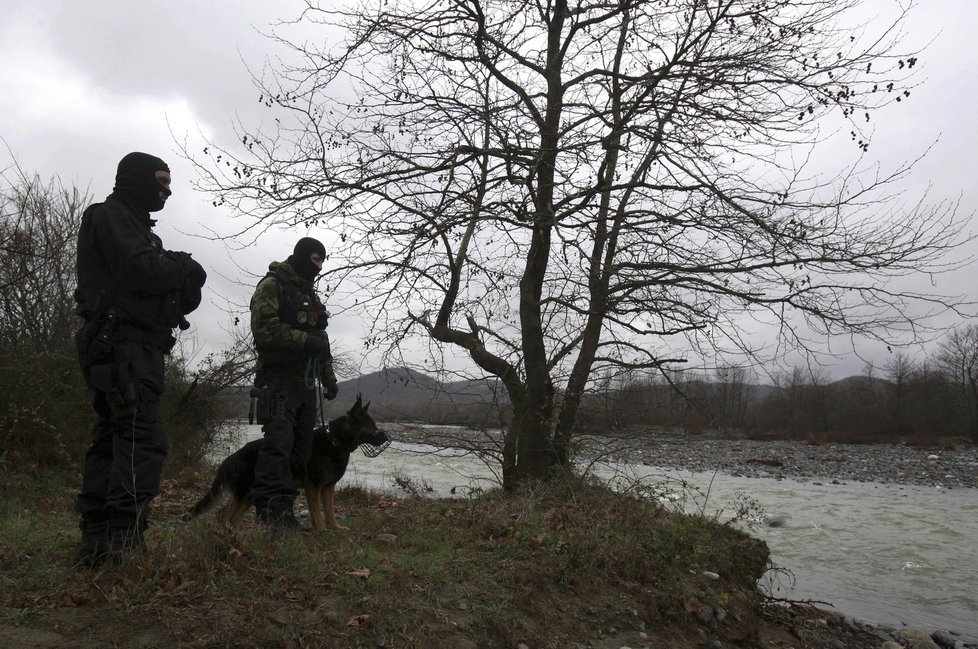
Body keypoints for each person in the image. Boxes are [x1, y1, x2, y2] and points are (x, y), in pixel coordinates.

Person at [72, 152, 207, 568]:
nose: (167, 189)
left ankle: (97, 542)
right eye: (161, 180)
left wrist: (182, 274)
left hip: (134, 347)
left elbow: (175, 291)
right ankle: (120, 543)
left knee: (114, 439)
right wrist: (181, 266)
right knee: (140, 440)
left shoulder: (138, 229)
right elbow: (143, 272)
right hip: (122, 346)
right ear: (136, 179)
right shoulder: (109, 216)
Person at [249, 236, 338, 531]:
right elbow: (264, 330)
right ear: (301, 256)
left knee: (301, 450)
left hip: (305, 384)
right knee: (278, 446)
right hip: (277, 380)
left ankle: (284, 510)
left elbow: (321, 343)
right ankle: (270, 514)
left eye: (323, 261)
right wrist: (305, 340)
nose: (320, 266)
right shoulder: (272, 285)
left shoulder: (311, 298)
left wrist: (328, 378)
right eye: (315, 259)